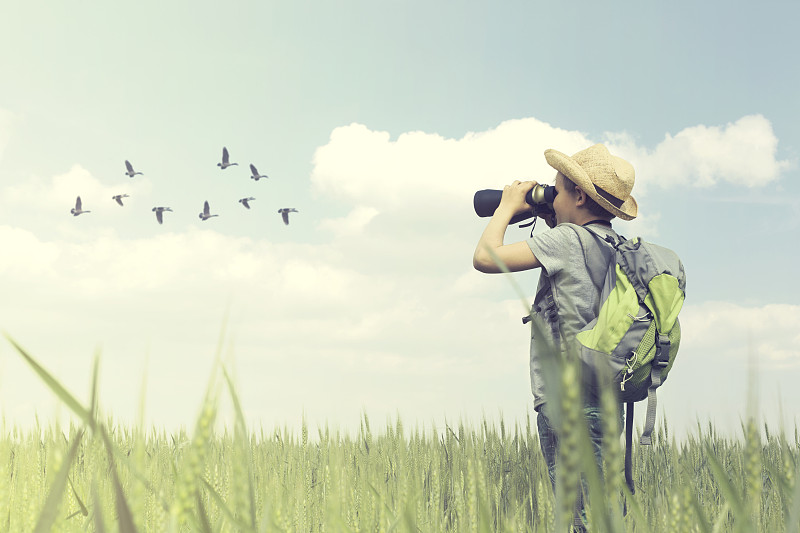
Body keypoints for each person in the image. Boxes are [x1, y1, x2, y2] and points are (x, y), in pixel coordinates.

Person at [472, 143, 638, 531]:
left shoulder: (566, 242)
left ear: (579, 196)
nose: (552, 193)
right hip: (605, 398)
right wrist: (553, 212)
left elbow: (485, 257)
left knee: (580, 520)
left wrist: (508, 206)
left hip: (566, 404)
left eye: (558, 188)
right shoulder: (616, 246)